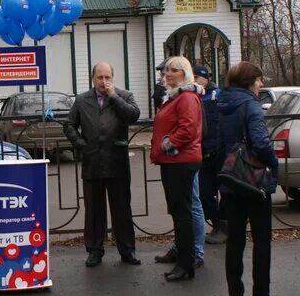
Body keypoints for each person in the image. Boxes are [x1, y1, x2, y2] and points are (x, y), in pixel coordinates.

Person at [218, 61, 285, 296]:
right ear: (249, 81)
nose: (261, 84)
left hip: (230, 178)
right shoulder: (250, 106)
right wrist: (273, 162)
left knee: (234, 240)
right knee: (261, 240)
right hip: (253, 181)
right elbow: (260, 142)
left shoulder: (220, 104)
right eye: (258, 79)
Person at [64, 62, 142, 267]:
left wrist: (113, 96)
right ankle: (94, 250)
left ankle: (127, 250)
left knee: (122, 209)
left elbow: (133, 116)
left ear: (113, 78)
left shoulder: (124, 96)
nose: (104, 82)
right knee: (94, 210)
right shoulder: (82, 100)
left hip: (117, 160)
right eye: (100, 77)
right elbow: (69, 124)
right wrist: (80, 144)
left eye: (108, 77)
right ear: (93, 78)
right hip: (92, 161)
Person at [150, 56, 203, 281]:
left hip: (180, 161)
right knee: (179, 212)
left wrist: (167, 144)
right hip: (172, 161)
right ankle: (184, 260)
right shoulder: (175, 97)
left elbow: (188, 130)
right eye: (167, 70)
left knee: (183, 213)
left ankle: (186, 264)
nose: (167, 74)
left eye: (173, 70)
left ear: (185, 73)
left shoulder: (187, 98)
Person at [195, 65, 228, 245]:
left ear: (206, 79)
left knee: (224, 190)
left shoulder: (217, 95)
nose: (193, 80)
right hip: (203, 152)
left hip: (219, 151)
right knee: (204, 192)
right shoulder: (194, 96)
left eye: (196, 77)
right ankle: (217, 223)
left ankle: (223, 227)